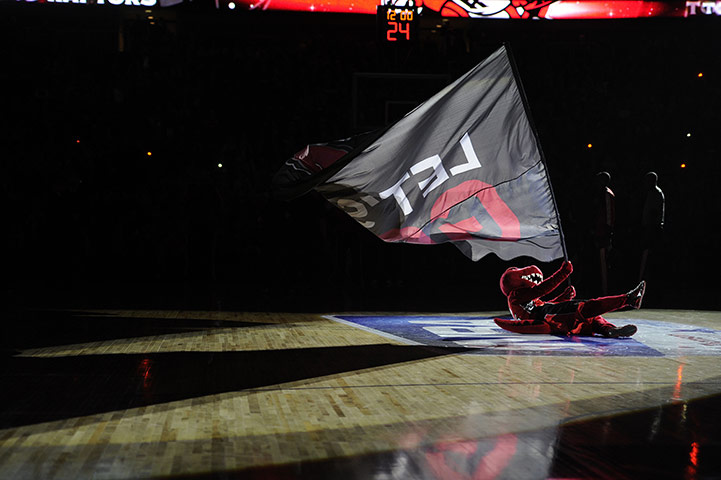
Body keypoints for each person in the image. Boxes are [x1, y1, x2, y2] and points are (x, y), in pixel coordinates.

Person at [494, 260, 644, 337]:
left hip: (548, 315)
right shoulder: (515, 296)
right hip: (547, 318)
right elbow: (542, 290)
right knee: (584, 308)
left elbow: (545, 305)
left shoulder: (524, 299)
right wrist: (563, 273)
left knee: (590, 316)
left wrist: (563, 297)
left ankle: (609, 330)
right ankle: (628, 299)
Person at [639, 171, 665, 282]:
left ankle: (645, 278)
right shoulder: (655, 192)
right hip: (653, 227)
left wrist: (648, 228)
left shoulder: (654, 193)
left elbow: (653, 212)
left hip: (652, 228)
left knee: (649, 253)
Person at [593, 171, 615, 295]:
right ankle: (603, 287)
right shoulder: (602, 194)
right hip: (600, 230)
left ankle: (605, 289)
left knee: (603, 260)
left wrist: (608, 230)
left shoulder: (606, 194)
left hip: (603, 232)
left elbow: (609, 214)